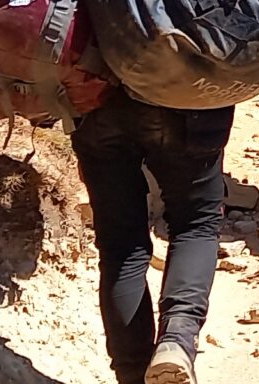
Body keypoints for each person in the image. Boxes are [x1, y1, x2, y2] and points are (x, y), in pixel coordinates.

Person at [73, 95, 236, 384]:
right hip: (185, 102)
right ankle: (177, 338)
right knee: (195, 225)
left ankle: (132, 375)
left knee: (121, 248)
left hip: (96, 100)